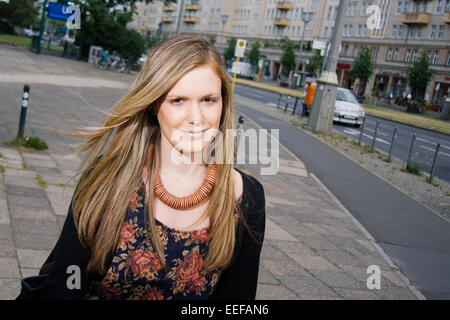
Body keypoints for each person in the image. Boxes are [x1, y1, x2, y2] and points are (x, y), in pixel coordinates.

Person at [17, 35, 266, 300]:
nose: (197, 118)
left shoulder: (246, 199)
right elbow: (66, 283)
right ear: (152, 105)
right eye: (177, 100)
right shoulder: (106, 180)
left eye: (208, 100)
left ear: (224, 103)